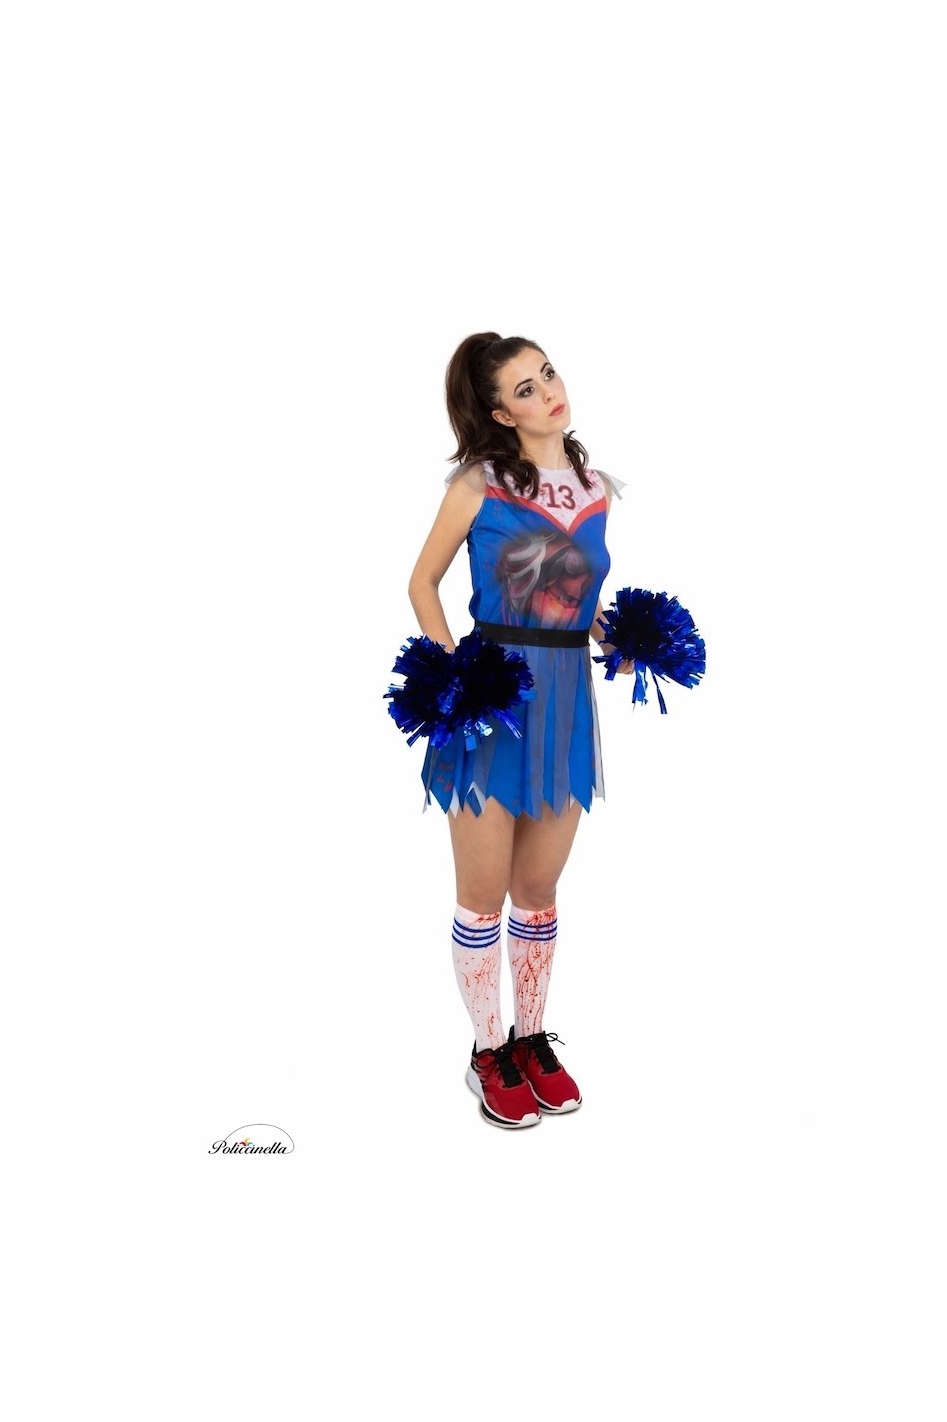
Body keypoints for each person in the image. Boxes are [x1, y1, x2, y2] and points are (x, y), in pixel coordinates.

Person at [407, 332, 632, 1129]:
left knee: (537, 892)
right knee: (483, 895)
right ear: (502, 413)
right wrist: (452, 673)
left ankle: (532, 1039)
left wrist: (622, 635)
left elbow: (575, 599)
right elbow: (422, 583)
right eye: (525, 389)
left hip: (567, 701)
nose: (548, 392)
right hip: (494, 700)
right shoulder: (479, 484)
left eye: (548, 373)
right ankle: (486, 1050)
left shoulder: (597, 489)